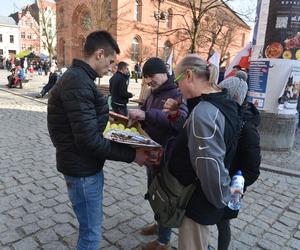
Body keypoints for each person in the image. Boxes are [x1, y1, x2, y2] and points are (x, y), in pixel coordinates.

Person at [47, 30, 154, 250]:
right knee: (91, 234)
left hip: (83, 166)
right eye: (111, 61)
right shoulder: (78, 82)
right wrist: (133, 155)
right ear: (99, 54)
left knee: (90, 228)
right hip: (82, 170)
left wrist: (117, 123)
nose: (112, 67)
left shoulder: (80, 78)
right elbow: (88, 140)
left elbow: (88, 123)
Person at [163, 55, 240, 250]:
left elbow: (210, 165)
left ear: (188, 75)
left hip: (198, 201)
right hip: (200, 197)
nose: (177, 87)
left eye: (177, 81)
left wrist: (221, 199)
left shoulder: (204, 112)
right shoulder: (219, 100)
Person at [128, 57, 188, 250]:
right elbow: (145, 112)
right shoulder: (153, 93)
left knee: (164, 196)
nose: (147, 81)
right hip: (151, 154)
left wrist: (146, 115)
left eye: (150, 76)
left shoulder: (179, 93)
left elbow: (180, 121)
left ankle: (164, 241)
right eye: (145, 77)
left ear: (163, 72)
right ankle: (159, 223)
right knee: (153, 193)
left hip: (167, 156)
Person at [216, 76, 261, 250]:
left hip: (231, 186)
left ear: (232, 98)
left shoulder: (247, 129)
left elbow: (251, 170)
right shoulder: (221, 117)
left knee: (223, 222)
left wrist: (232, 187)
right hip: (214, 180)